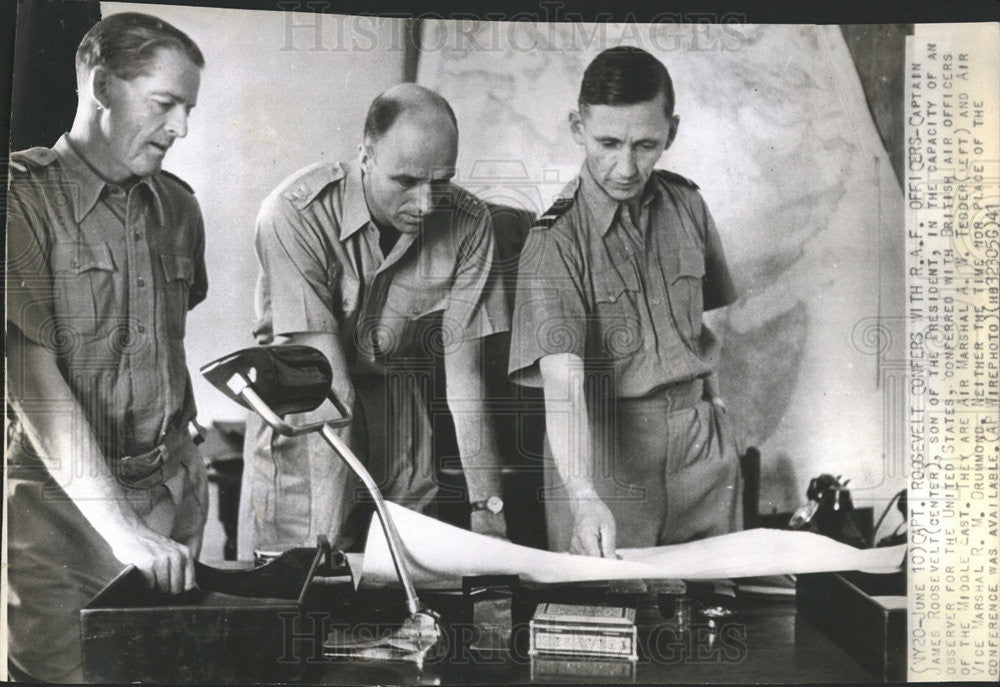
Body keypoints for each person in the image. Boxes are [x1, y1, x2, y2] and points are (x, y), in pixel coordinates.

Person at [5, 12, 209, 682]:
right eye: (165, 104)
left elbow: (163, 348)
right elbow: (33, 380)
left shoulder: (178, 207)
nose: (181, 128)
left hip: (168, 502)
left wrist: (183, 489)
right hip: (57, 517)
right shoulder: (19, 201)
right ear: (100, 85)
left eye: (188, 108)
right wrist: (123, 530)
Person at [241, 83, 509, 555]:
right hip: (309, 417)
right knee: (303, 585)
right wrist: (324, 540)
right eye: (405, 182)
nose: (426, 204)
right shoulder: (292, 214)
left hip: (400, 422)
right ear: (365, 155)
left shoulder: (470, 225)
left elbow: (465, 380)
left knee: (407, 589)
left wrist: (487, 513)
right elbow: (328, 385)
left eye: (441, 182)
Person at [508, 46, 742, 557]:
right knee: (612, 616)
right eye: (608, 143)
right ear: (577, 127)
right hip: (608, 453)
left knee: (717, 613)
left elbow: (709, 317)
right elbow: (563, 381)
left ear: (671, 133)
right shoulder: (555, 240)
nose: (626, 166)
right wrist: (584, 496)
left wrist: (716, 408)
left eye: (645, 144)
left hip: (701, 448)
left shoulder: (689, 205)